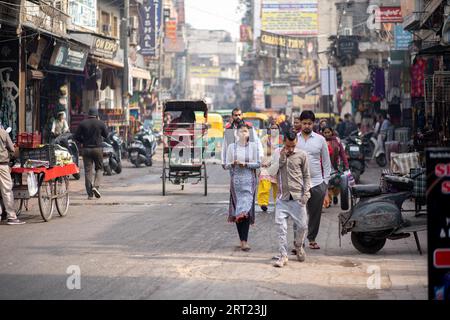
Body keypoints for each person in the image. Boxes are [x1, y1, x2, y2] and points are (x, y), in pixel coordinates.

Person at [273, 130, 311, 268]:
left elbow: (307, 176)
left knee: (302, 226)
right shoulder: (277, 153)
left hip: (298, 198)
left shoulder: (302, 155)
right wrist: (282, 157)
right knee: (280, 227)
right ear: (284, 142)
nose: (290, 149)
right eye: (288, 146)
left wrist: (306, 193)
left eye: (293, 146)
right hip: (282, 198)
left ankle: (299, 245)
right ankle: (283, 255)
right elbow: (272, 171)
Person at [295, 111, 331, 250]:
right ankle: (298, 241)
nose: (307, 126)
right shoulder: (295, 139)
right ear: (300, 123)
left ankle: (312, 239)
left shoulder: (320, 139)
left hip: (317, 183)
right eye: (304, 123)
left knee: (315, 214)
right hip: (298, 183)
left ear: (314, 124)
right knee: (298, 213)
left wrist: (325, 183)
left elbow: (327, 163)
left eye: (309, 123)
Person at [225, 123, 261, 251]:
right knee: (238, 211)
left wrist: (245, 164)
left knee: (245, 211)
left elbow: (258, 164)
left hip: (249, 182)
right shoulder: (231, 147)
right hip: (236, 182)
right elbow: (225, 165)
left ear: (249, 133)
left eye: (246, 131)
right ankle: (242, 240)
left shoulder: (253, 147)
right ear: (236, 133)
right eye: (241, 131)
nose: (243, 133)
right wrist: (232, 163)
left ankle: (245, 241)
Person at [74, 107, 109, 200]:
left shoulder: (82, 123)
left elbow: (76, 136)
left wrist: (83, 141)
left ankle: (90, 194)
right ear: (97, 115)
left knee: (88, 171)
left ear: (88, 114)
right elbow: (106, 135)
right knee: (99, 169)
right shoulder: (101, 123)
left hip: (86, 149)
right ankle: (96, 187)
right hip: (97, 149)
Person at [0, 126, 24, 225]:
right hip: (2, 165)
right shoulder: (3, 132)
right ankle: (11, 216)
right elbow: (12, 149)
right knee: (6, 190)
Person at [322, 126, 349, 208]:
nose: (327, 134)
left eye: (328, 132)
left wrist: (346, 164)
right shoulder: (320, 141)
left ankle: (335, 195)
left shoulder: (337, 140)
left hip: (335, 165)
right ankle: (328, 201)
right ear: (323, 133)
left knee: (337, 182)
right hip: (324, 166)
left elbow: (342, 153)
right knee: (327, 183)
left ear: (332, 132)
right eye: (325, 133)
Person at [256, 124, 280, 213]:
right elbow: (259, 149)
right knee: (264, 186)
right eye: (272, 128)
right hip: (265, 166)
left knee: (277, 187)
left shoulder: (281, 139)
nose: (274, 130)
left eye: (276, 128)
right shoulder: (264, 139)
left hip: (276, 166)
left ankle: (278, 203)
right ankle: (263, 203)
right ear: (269, 129)